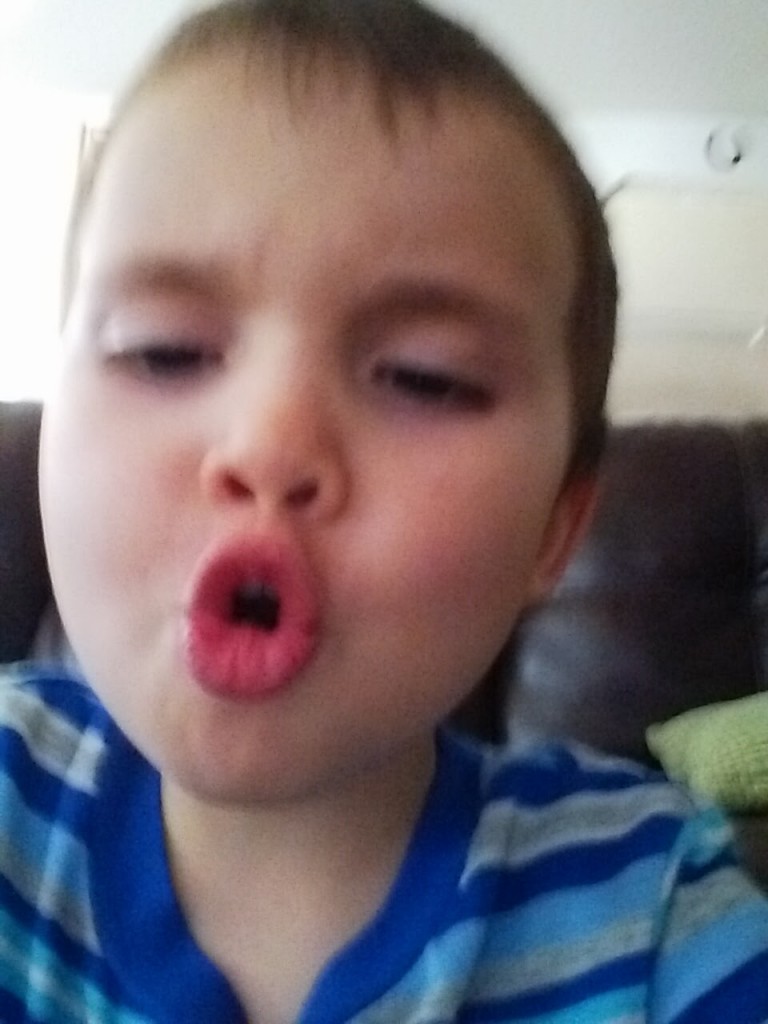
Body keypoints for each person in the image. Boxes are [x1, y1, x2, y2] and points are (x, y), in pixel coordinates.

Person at [1, 0, 767, 1021]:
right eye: (164, 350)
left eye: (423, 378)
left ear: (553, 530)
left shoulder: (658, 917)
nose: (267, 447)